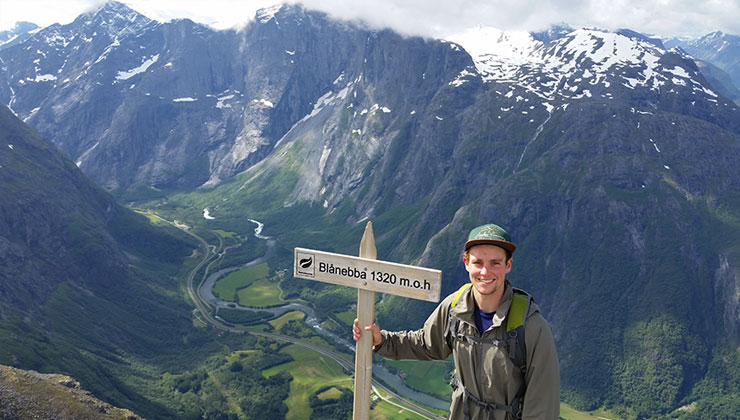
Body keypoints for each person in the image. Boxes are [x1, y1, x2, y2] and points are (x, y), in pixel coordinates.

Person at [353, 223, 560, 419]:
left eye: (495, 263)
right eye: (478, 263)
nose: (485, 272)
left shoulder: (532, 327)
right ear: (466, 264)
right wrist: (382, 341)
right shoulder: (455, 307)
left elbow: (542, 404)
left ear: (508, 265)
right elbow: (426, 343)